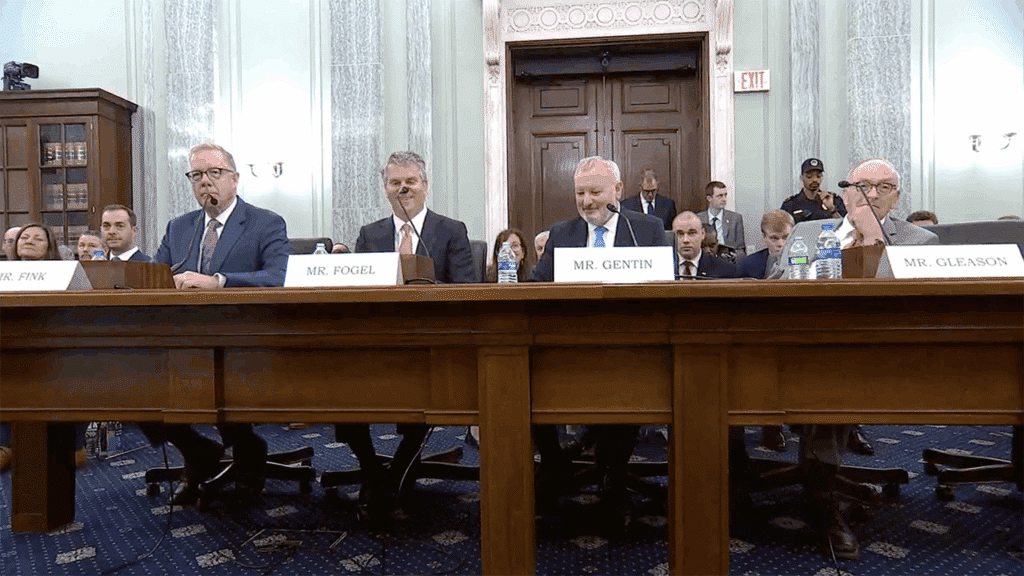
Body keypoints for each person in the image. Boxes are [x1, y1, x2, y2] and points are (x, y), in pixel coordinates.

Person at [773, 158, 939, 560]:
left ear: (897, 197)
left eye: (884, 188)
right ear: (845, 192)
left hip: (878, 356)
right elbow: (775, 287)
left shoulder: (919, 240)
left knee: (833, 381)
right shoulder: (810, 231)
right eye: (863, 186)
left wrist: (871, 240)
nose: (872, 195)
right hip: (799, 349)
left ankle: (823, 499)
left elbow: (917, 308)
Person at [145, 141, 292, 507]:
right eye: (197, 175)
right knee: (131, 382)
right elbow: (158, 277)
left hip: (247, 337)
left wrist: (220, 281)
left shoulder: (265, 222)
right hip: (182, 337)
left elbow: (278, 276)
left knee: (222, 376)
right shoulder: (180, 228)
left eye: (214, 173)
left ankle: (247, 448)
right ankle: (198, 452)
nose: (205, 183)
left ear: (235, 179)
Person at [336, 150, 475, 528]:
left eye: (410, 182)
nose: (403, 189)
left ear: (425, 187)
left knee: (423, 405)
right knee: (341, 398)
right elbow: (359, 293)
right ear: (385, 189)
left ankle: (390, 482)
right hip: (376, 345)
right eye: (395, 183)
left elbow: (466, 290)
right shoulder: (371, 234)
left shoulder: (451, 230)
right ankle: (375, 473)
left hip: (433, 346)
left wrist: (422, 285)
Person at [528, 156, 667, 531]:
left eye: (595, 192)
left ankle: (614, 479)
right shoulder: (563, 233)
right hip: (570, 348)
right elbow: (537, 288)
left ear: (617, 192)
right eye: (580, 193)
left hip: (633, 349)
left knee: (625, 386)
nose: (587, 201)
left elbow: (665, 291)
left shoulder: (648, 229)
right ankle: (556, 462)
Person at [4, 223, 87, 467]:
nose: (28, 241)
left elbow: (86, 312)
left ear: (50, 247)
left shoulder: (68, 272)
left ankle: (74, 445)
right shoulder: (3, 273)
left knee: (80, 372)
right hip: (10, 345)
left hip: (60, 348)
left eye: (37, 239)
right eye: (24, 237)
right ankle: (4, 445)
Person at [672, 211, 740, 279]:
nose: (685, 240)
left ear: (703, 234)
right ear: (671, 235)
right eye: (679, 234)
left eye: (692, 233)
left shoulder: (726, 270)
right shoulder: (663, 267)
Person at [781, 158, 846, 224]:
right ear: (801, 177)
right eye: (809, 176)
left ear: (822, 177)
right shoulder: (790, 204)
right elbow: (783, 230)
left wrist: (832, 209)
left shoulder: (834, 200)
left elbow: (845, 228)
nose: (814, 179)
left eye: (818, 176)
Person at [738, 209, 794, 279]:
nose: (780, 244)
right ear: (764, 237)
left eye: (786, 237)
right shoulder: (749, 264)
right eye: (774, 238)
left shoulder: (802, 260)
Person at [697, 181, 746, 258]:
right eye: (720, 196)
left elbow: (741, 249)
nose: (724, 199)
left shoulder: (735, 218)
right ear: (709, 198)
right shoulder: (698, 219)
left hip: (728, 260)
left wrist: (735, 256)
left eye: (725, 195)